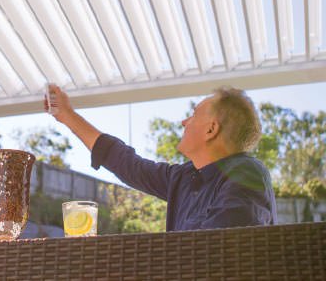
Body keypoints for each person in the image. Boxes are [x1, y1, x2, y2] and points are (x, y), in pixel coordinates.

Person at [46, 84, 277, 231]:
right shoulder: (184, 177)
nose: (184, 122)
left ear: (211, 130)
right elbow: (126, 164)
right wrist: (66, 115)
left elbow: (219, 249)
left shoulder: (247, 173)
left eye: (194, 114)